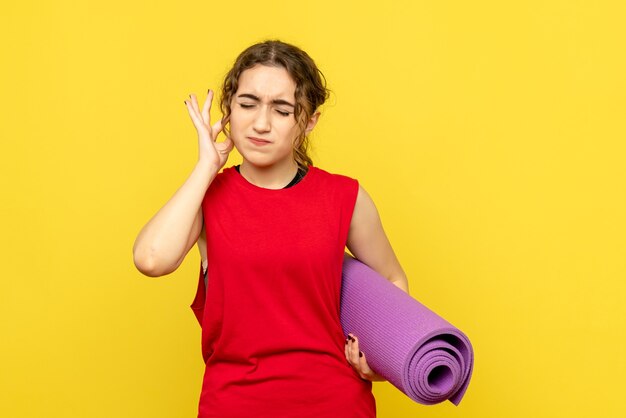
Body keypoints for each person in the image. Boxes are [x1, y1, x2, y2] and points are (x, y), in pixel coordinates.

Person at [133, 39, 409, 418]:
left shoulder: (345, 196)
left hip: (335, 403)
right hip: (233, 404)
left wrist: (383, 356)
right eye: (247, 104)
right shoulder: (207, 196)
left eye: (281, 110)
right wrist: (205, 167)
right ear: (229, 108)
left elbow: (392, 279)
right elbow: (151, 259)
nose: (260, 124)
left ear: (309, 120)